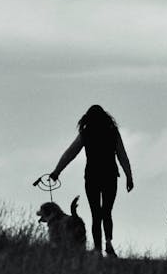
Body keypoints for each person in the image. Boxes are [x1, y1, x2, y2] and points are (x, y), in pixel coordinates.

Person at [45, 104, 133, 256]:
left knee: (96, 214)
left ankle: (98, 249)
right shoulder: (112, 132)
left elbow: (70, 153)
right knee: (107, 212)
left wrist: (57, 171)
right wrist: (129, 177)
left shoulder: (86, 133)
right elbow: (122, 156)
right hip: (110, 176)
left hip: (92, 177)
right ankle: (109, 243)